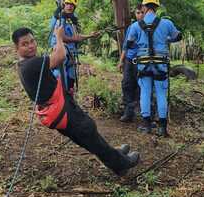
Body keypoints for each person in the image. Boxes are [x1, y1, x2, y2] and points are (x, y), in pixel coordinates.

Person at [13, 26, 140, 176]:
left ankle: (115, 155)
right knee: (87, 131)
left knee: (87, 135)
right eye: (25, 44)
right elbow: (60, 56)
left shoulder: (24, 64)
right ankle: (121, 164)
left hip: (57, 110)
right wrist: (59, 37)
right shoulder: (31, 64)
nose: (31, 46)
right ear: (16, 48)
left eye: (32, 41)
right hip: (61, 111)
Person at [125, 0, 182, 137]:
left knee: (145, 92)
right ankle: (162, 128)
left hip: (143, 65)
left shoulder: (135, 26)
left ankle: (146, 126)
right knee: (161, 94)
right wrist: (166, 38)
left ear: (144, 7)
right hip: (161, 64)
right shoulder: (166, 24)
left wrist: (140, 42)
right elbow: (178, 36)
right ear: (157, 7)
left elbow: (129, 44)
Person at [48, 0, 99, 93]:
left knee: (71, 81)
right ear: (63, 4)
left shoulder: (71, 20)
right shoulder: (59, 18)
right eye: (67, 4)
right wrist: (76, 39)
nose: (70, 7)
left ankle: (69, 101)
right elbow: (62, 37)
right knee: (60, 79)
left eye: (72, 5)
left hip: (70, 55)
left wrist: (90, 35)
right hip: (60, 54)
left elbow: (76, 37)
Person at [118, 4, 144, 122]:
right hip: (129, 60)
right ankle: (128, 113)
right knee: (127, 84)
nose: (140, 15)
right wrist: (121, 61)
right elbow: (125, 46)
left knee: (143, 86)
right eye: (138, 13)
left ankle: (147, 114)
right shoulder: (131, 27)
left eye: (142, 13)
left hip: (142, 60)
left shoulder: (148, 28)